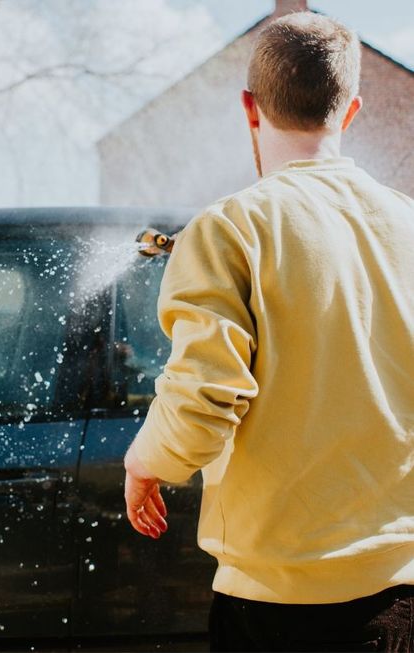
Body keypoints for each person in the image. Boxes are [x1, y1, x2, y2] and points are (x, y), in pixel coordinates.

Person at [122, 10, 414, 652]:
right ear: (352, 109)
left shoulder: (227, 229)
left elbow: (204, 398)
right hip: (403, 593)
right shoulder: (407, 223)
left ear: (250, 109)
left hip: (278, 603)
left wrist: (145, 461)